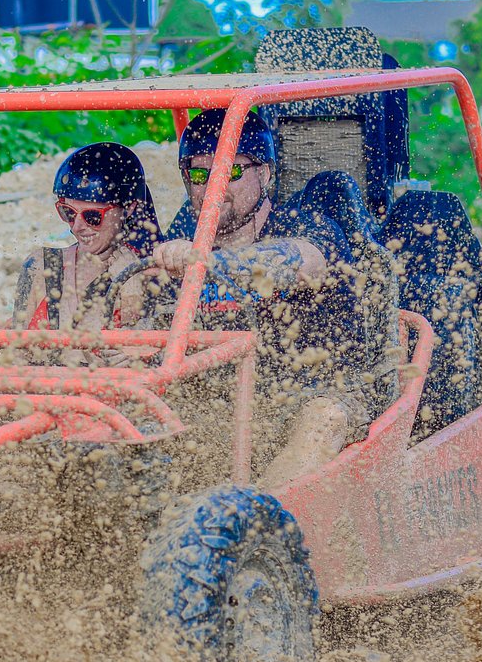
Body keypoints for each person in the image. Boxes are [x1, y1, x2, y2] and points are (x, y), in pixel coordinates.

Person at [146, 109, 382, 485]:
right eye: (199, 174)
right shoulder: (183, 237)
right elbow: (154, 320)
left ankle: (260, 528)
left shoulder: (305, 226)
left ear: (266, 174)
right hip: (217, 399)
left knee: (325, 420)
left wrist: (208, 261)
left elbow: (304, 262)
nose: (213, 186)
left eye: (232, 171)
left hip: (311, 392)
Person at [13, 142, 161, 340]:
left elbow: (147, 359)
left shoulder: (153, 273)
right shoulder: (42, 266)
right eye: (68, 213)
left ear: (129, 208)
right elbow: (13, 351)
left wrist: (130, 286)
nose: (76, 227)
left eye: (93, 216)